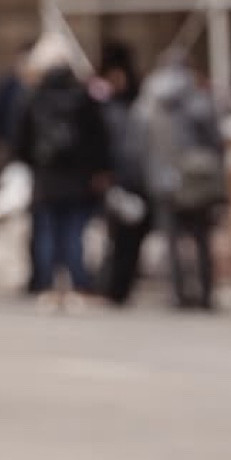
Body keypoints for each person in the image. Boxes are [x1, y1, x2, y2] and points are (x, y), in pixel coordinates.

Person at [14, 31, 110, 307]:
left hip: (46, 175)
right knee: (74, 231)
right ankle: (78, 282)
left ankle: (45, 283)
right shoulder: (83, 96)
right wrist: (99, 169)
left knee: (46, 231)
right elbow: (98, 137)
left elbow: (21, 139)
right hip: (77, 176)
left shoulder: (34, 97)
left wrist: (30, 164)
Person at [133, 54, 227, 310]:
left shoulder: (147, 102)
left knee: (172, 239)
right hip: (197, 178)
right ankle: (205, 292)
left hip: (162, 177)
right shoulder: (198, 99)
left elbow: (140, 142)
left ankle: (177, 292)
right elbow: (215, 139)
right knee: (201, 237)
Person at [93, 44, 149, 306]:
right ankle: (112, 284)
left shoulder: (132, 103)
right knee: (116, 234)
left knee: (129, 234)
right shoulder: (104, 103)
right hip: (117, 174)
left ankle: (119, 284)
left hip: (133, 175)